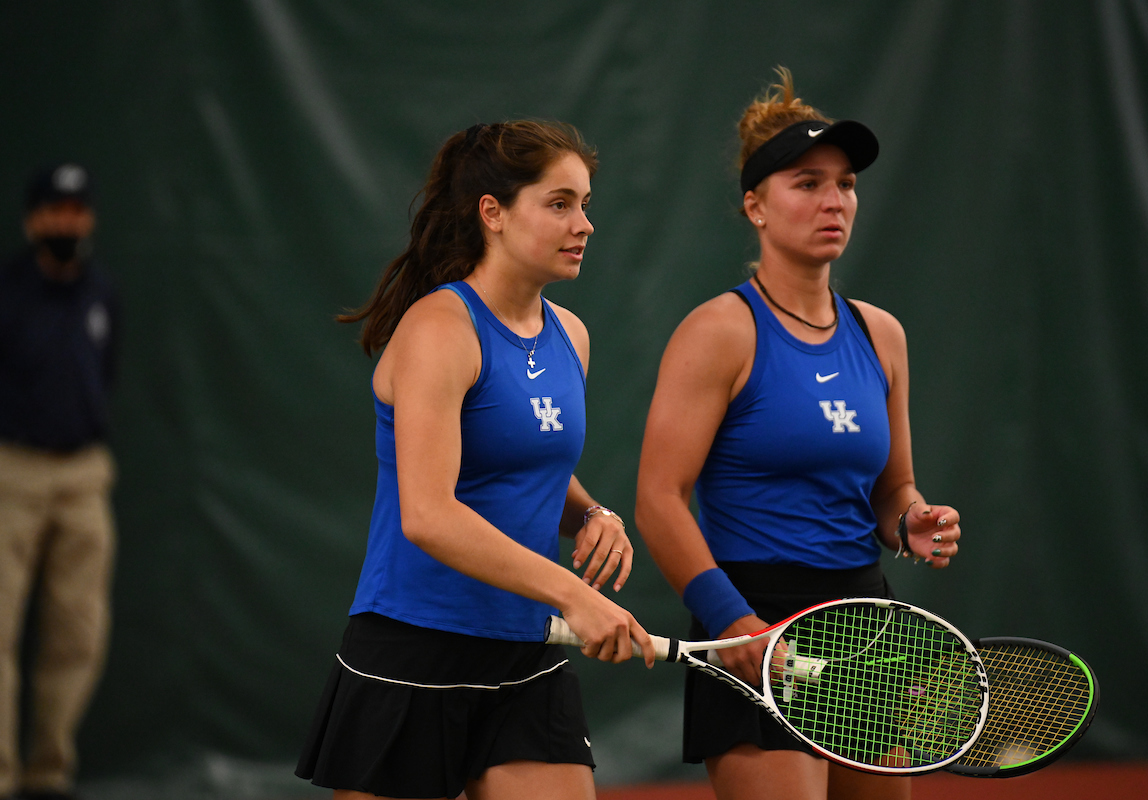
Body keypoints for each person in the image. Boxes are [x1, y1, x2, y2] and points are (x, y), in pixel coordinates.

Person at [295, 120, 655, 800]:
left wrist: (590, 513)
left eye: (585, 203)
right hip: (414, 648)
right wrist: (575, 594)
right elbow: (429, 514)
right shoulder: (439, 330)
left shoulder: (570, 336)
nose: (584, 224)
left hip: (527, 653)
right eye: (559, 203)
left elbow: (519, 458)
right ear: (493, 213)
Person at [635, 68, 963, 800]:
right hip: (755, 614)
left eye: (844, 184)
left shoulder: (882, 335)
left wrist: (911, 519)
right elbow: (659, 498)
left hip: (864, 620)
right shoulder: (719, 331)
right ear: (755, 205)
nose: (834, 201)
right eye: (807, 183)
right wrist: (736, 624)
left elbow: (892, 490)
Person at [0, 163, 119, 800]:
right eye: (54, 210)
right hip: (10, 474)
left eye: (76, 210)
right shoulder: (9, 291)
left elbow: (107, 372)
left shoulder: (102, 293)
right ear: (33, 218)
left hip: (85, 477)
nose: (66, 222)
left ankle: (48, 774)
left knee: (78, 631)